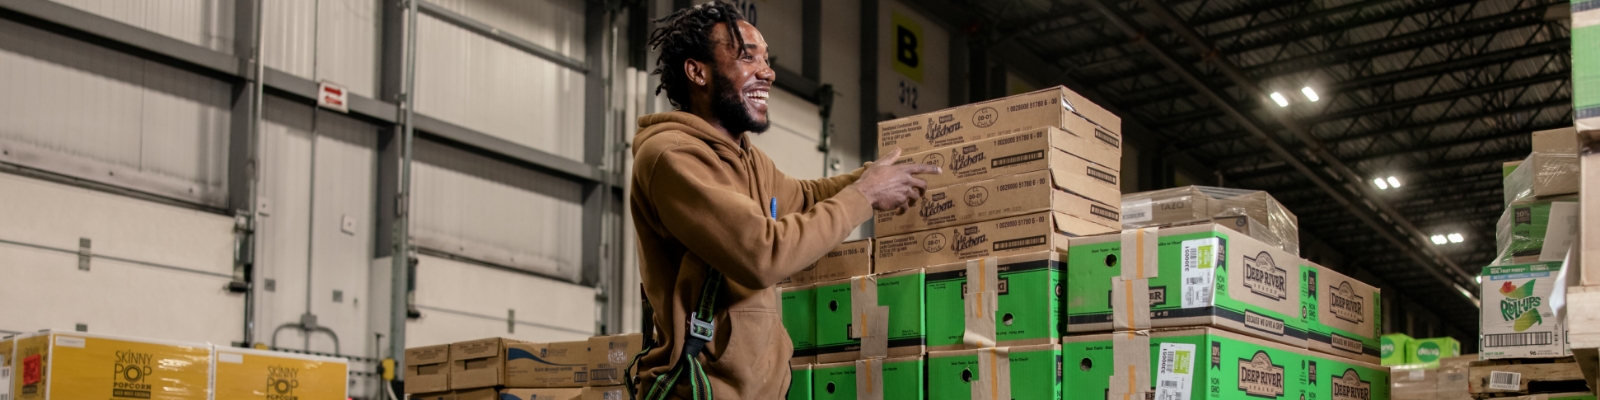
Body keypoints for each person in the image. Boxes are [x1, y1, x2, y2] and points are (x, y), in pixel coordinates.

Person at [625, 2, 939, 399]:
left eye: (768, 60)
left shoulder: (748, 159)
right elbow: (763, 256)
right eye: (747, 56)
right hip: (703, 392)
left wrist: (872, 176)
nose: (768, 72)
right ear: (697, 72)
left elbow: (805, 198)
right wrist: (865, 195)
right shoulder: (671, 157)